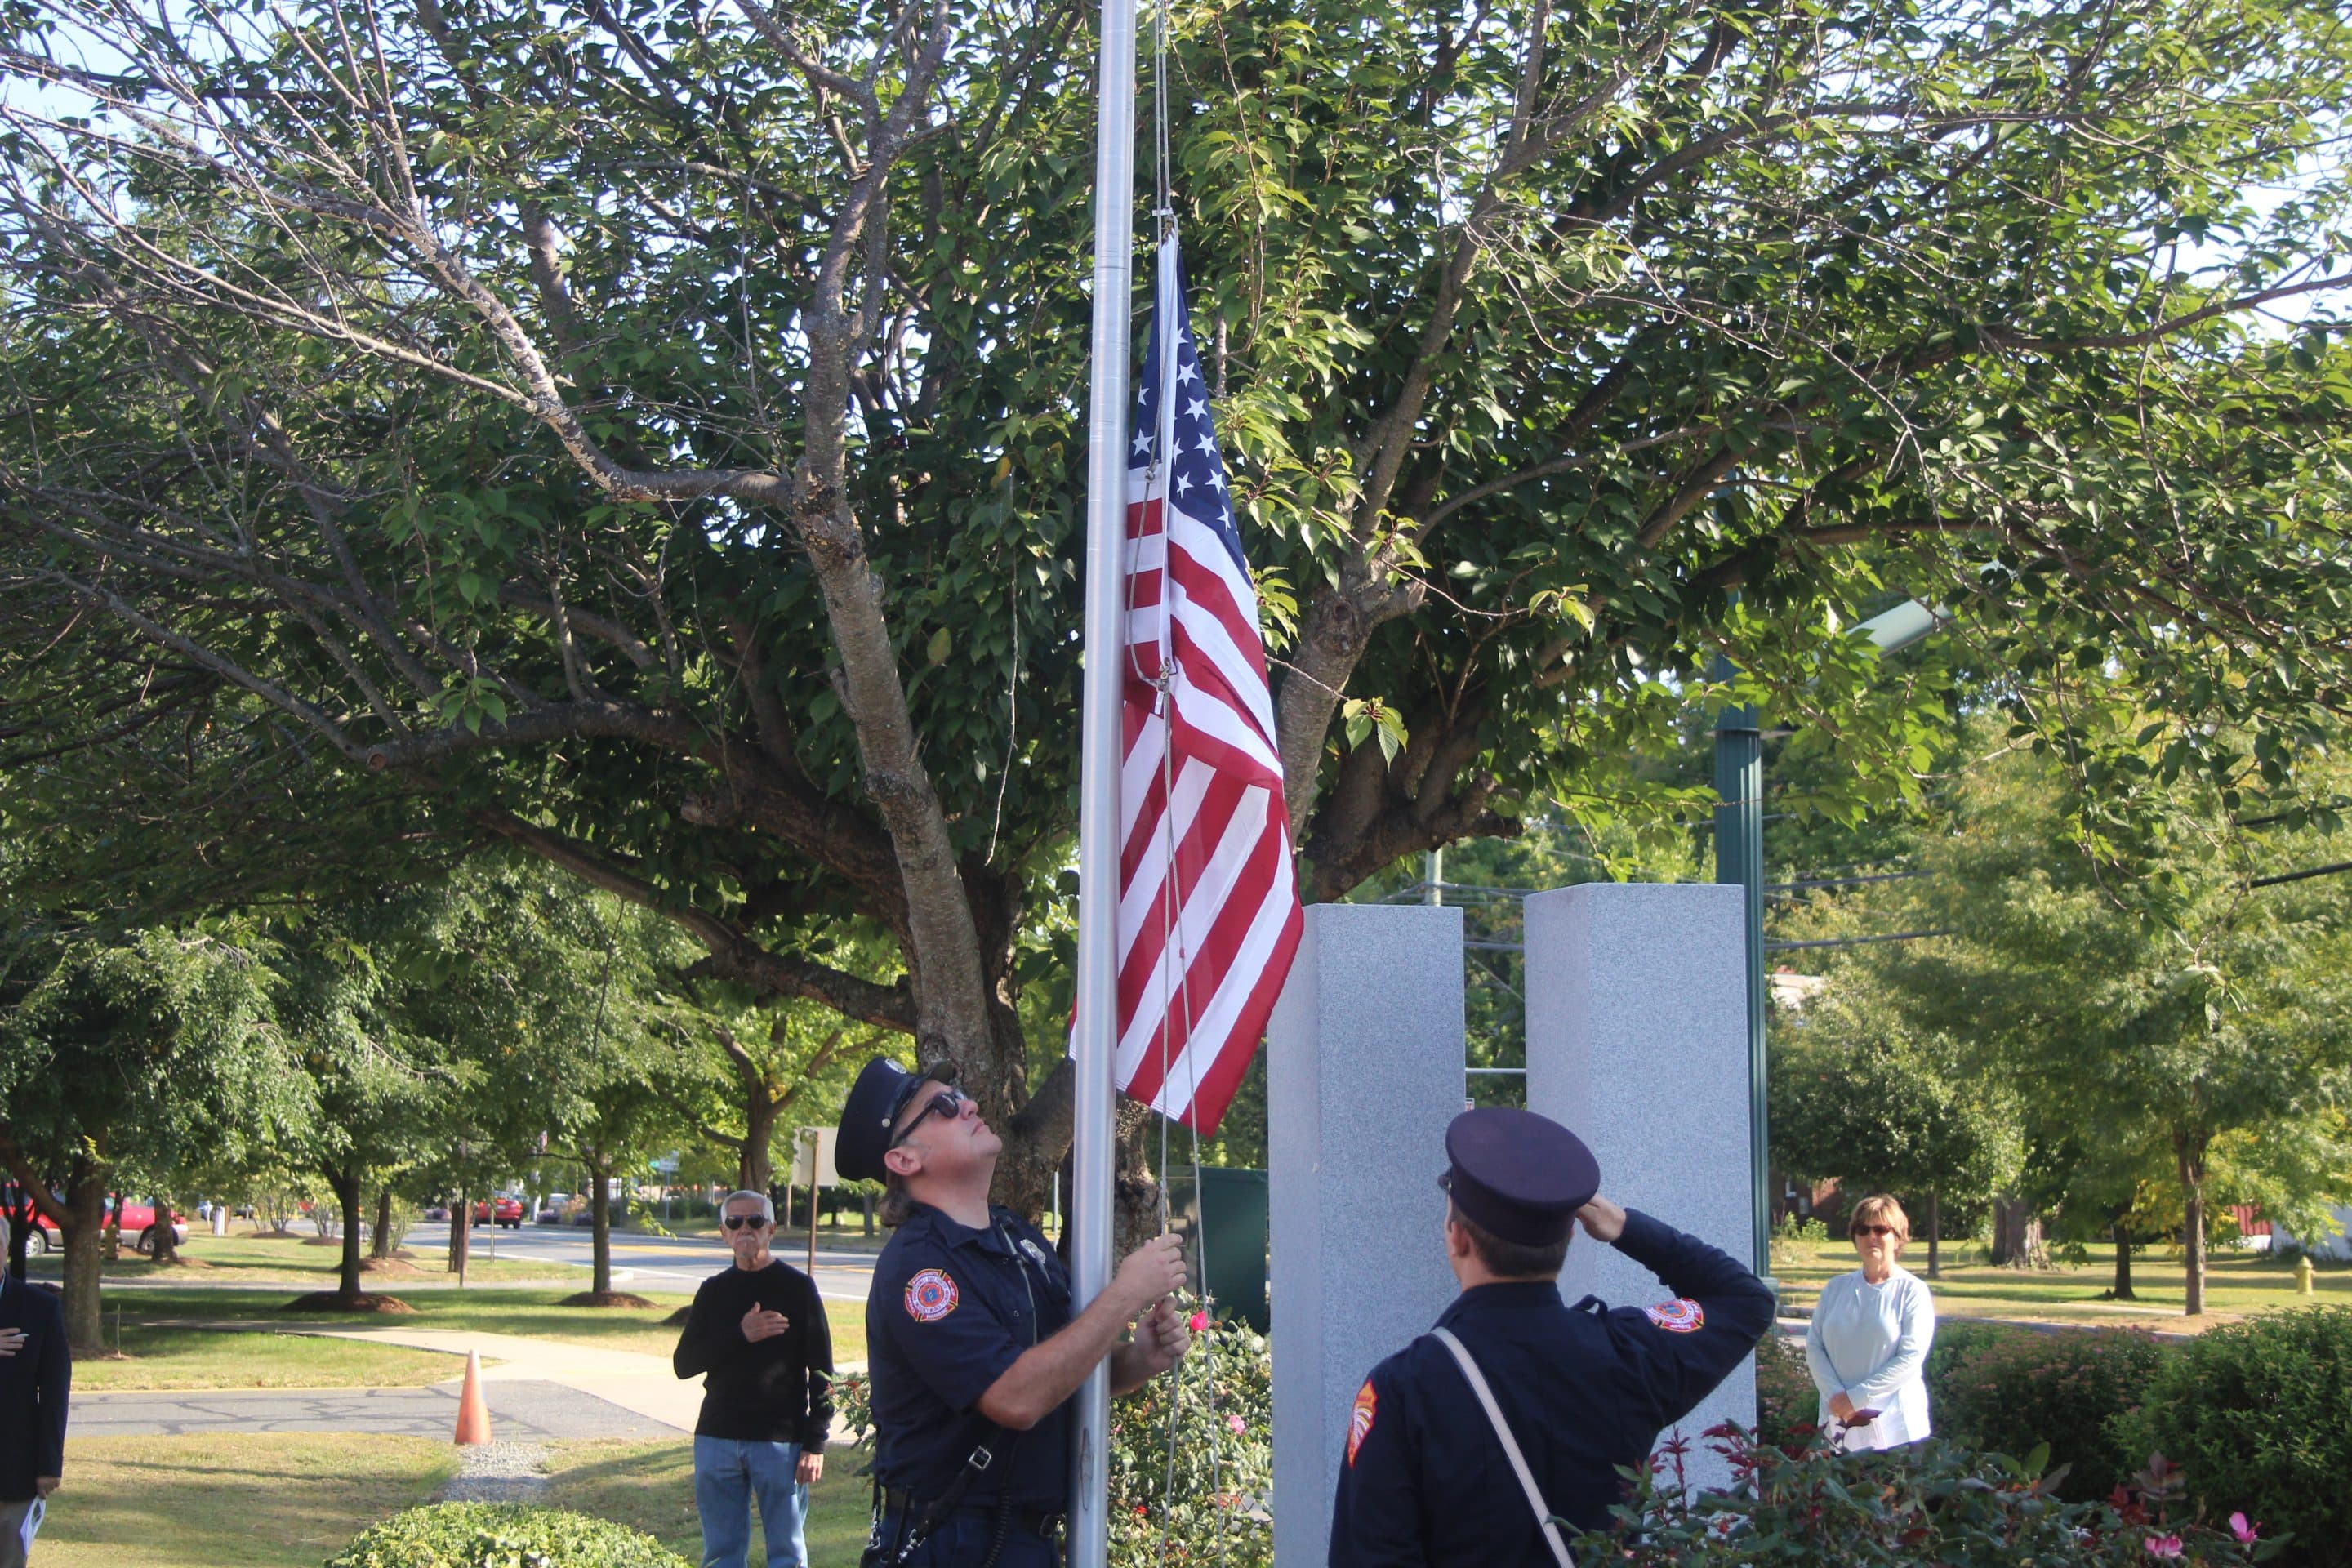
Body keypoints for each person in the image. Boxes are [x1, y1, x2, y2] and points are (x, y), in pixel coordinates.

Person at [1330, 1107, 1776, 1566]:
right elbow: (1744, 1299)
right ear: (1570, 1235)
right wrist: (1625, 1227)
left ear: (1458, 1238)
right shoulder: (1626, 1353)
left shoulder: (1403, 1390)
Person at [835, 1056, 1192, 1566]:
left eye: (959, 1095)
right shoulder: (920, 1270)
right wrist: (1123, 1296)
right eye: (943, 1105)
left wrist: (1138, 1358)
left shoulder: (1015, 1236)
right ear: (905, 1160)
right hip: (955, 1541)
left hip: (1022, 1538)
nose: (969, 1105)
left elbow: (1057, 1373)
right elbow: (1016, 1398)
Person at [671, 1189, 834, 1568]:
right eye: (735, 1222)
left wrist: (815, 1443)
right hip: (716, 1438)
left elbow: (823, 1372)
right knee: (721, 1554)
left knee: (787, 1554)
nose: (745, 1229)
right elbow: (684, 1364)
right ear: (724, 1232)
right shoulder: (713, 1292)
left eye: (755, 1221)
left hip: (781, 1442)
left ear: (771, 1228)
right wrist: (741, 1334)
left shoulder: (798, 1288)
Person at [1803, 1194, 1935, 1452]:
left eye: (1881, 1229)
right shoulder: (1835, 1289)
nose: (1871, 1236)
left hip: (1896, 1431)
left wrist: (1857, 1398)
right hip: (1837, 1425)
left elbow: (1911, 1357)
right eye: (1863, 1230)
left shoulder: (1912, 1291)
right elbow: (1814, 1347)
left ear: (1897, 1238)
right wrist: (1836, 1398)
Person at [0, 1215, 67, 1568]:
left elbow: (55, 1392)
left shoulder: (40, 1308)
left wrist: (48, 1464)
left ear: (6, 1250)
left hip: (12, 1473)